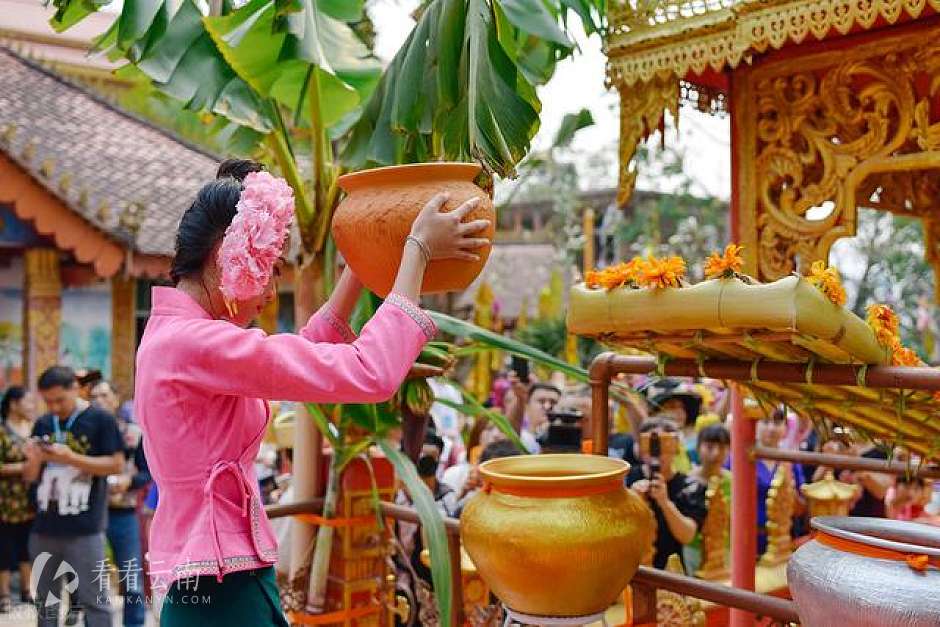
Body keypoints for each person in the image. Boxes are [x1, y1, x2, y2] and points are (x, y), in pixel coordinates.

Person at [134, 159, 488, 625]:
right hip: (221, 581)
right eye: (266, 267)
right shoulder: (193, 343)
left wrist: (362, 263)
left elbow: (300, 355)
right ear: (225, 252)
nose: (267, 292)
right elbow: (370, 373)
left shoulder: (181, 338)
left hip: (220, 571)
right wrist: (416, 252)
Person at [21, 367, 124, 627]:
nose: (54, 407)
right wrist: (33, 460)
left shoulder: (101, 419)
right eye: (48, 401)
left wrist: (70, 458)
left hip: (86, 527)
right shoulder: (44, 423)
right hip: (44, 527)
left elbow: (116, 464)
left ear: (75, 389)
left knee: (95, 601)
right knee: (46, 604)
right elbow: (30, 477)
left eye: (60, 400)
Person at [92, 380, 150, 627]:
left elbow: (148, 472)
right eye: (94, 396)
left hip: (123, 513)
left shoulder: (134, 433)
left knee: (132, 582)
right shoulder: (85, 434)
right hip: (90, 515)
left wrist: (130, 480)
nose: (99, 400)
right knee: (92, 582)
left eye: (104, 395)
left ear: (116, 398)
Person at [625, 417, 706, 570]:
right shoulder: (628, 477)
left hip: (670, 571)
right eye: (651, 445)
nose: (658, 453)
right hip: (633, 568)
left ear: (676, 447)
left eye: (665, 444)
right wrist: (631, 500)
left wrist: (665, 502)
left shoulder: (690, 486)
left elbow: (687, 536)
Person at [0, 387, 37, 612]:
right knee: (4, 547)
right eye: (27, 401)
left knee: (27, 546)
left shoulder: (34, 429)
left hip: (29, 500)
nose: (31, 406)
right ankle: (3, 594)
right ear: (13, 404)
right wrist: (23, 468)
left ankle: (27, 590)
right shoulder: (2, 431)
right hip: (4, 501)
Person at [751, 409, 805, 554]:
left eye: (777, 422)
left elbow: (800, 509)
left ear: (785, 427)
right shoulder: (742, 456)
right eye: (766, 421)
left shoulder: (791, 460)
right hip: (749, 537)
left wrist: (790, 490)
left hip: (782, 540)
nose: (771, 428)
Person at [684, 424, 732, 574]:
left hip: (724, 549)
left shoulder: (733, 481)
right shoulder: (687, 480)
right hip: (694, 549)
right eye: (710, 447)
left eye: (722, 448)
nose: (716, 453)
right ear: (698, 448)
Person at [505, 377, 561, 451]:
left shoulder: (567, 436)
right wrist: (520, 398)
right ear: (527, 404)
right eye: (541, 401)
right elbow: (511, 434)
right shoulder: (523, 436)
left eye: (553, 402)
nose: (547, 407)